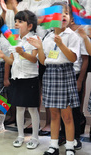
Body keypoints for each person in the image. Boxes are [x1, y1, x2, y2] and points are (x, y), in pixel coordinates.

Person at [27, 2, 80, 155]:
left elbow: (72, 58)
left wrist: (61, 44)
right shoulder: (48, 36)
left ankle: (70, 147)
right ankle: (53, 145)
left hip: (65, 73)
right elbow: (43, 61)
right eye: (59, 13)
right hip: (50, 74)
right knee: (54, 114)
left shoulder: (72, 36)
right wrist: (40, 47)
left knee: (67, 115)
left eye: (66, 13)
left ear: (70, 18)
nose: (63, 15)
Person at [0, 10, 40, 149]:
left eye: (20, 21)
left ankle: (35, 137)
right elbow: (11, 61)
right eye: (16, 21)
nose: (16, 24)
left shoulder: (34, 39)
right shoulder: (14, 40)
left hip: (29, 78)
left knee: (32, 109)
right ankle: (20, 135)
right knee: (19, 108)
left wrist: (23, 53)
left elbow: (35, 59)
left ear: (29, 26)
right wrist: (2, 56)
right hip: (16, 77)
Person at [58, 13, 89, 150]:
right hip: (61, 75)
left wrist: (80, 80)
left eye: (66, 15)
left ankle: (75, 137)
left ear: (71, 20)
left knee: (74, 110)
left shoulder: (79, 36)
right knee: (62, 108)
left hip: (75, 75)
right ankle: (64, 134)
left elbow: (85, 60)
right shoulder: (59, 35)